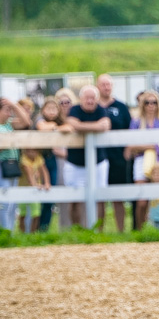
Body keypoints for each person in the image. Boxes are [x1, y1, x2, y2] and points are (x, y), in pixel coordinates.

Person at [65, 85, 111, 229]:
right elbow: (72, 123)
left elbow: (105, 125)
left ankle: (99, 230)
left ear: (97, 99)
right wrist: (94, 127)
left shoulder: (101, 110)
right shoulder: (74, 109)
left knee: (100, 197)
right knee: (74, 199)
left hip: (98, 163)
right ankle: (78, 230)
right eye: (87, 98)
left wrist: (82, 127)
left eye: (93, 98)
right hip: (75, 164)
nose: (90, 101)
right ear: (81, 99)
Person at [125, 90, 159, 230]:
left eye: (154, 102)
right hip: (141, 161)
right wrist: (152, 145)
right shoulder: (136, 122)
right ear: (142, 104)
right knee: (142, 200)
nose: (151, 105)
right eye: (147, 102)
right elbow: (131, 145)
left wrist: (145, 145)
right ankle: (140, 229)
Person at [0, 97, 32, 231]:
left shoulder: (9, 125)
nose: (10, 113)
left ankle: (10, 231)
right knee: (4, 199)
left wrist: (14, 104)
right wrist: (8, 141)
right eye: (7, 110)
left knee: (13, 201)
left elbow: (26, 122)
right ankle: (3, 230)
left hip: (13, 164)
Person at [97, 74, 132, 232]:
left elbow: (130, 129)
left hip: (118, 158)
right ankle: (99, 230)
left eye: (109, 84)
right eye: (103, 84)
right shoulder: (93, 107)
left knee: (118, 197)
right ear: (97, 86)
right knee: (99, 197)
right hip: (98, 158)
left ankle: (120, 230)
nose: (106, 87)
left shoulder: (121, 107)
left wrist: (127, 150)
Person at [34, 97, 72, 232]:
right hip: (39, 160)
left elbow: (69, 127)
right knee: (40, 194)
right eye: (48, 109)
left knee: (50, 193)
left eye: (54, 108)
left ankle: (44, 228)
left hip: (52, 161)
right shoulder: (39, 119)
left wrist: (56, 127)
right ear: (43, 110)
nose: (51, 112)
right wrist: (56, 128)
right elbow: (42, 127)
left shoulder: (60, 122)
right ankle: (38, 228)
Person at [54, 88, 78, 230]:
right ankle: (65, 229)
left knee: (77, 197)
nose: (64, 105)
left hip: (75, 161)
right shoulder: (53, 122)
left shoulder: (77, 119)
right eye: (61, 102)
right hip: (60, 163)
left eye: (67, 102)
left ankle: (80, 227)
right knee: (63, 197)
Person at [18, 147, 50, 233]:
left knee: (36, 214)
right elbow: (28, 173)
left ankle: (33, 233)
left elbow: (44, 171)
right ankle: (22, 233)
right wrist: (34, 185)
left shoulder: (38, 158)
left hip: (35, 189)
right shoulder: (23, 159)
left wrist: (47, 183)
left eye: (34, 151)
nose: (31, 153)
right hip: (23, 189)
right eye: (29, 150)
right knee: (22, 214)